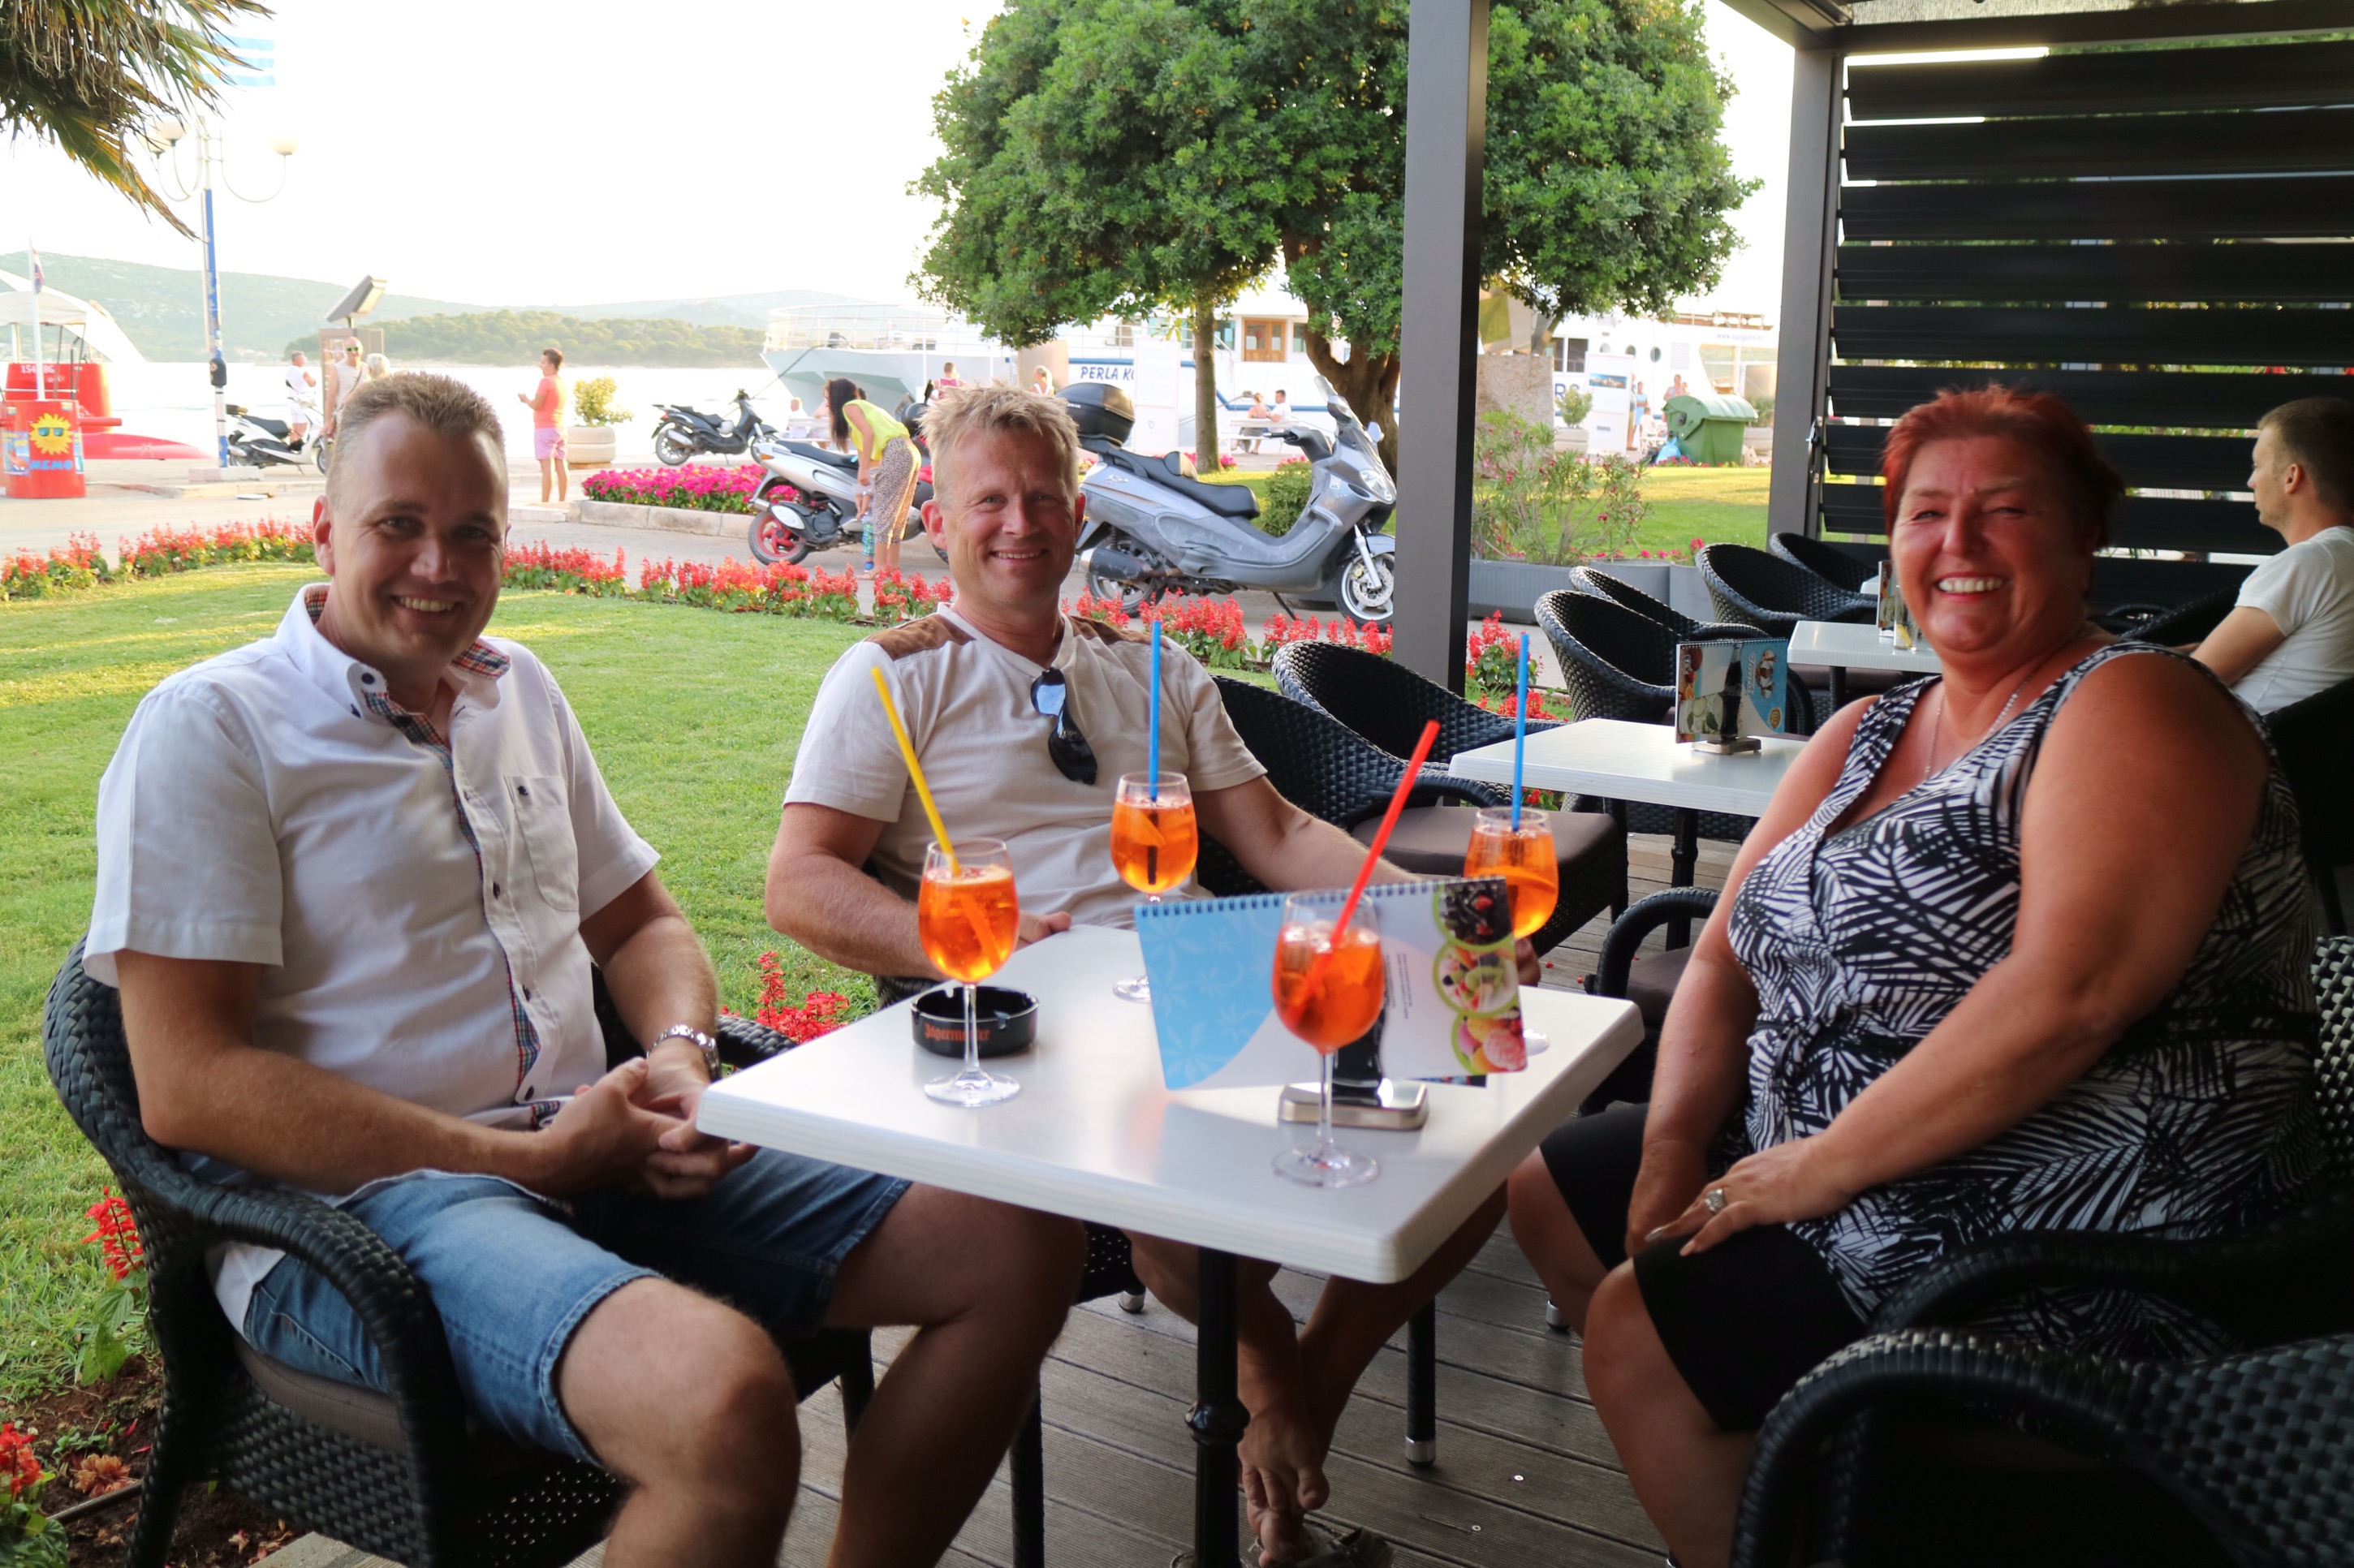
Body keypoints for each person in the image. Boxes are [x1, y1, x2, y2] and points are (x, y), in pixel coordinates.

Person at [89, 372, 1084, 1568]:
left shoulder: (515, 690)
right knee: (721, 1402)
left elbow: (644, 924)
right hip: (361, 1221)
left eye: (474, 533)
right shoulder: (212, 729)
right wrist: (530, 1161)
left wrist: (678, 1063)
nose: (439, 566)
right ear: (323, 529)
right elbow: (189, 1086)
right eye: (398, 524)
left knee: (1017, 1243)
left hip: (598, 1154)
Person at [1504, 386, 2325, 1568]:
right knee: (1556, 1188)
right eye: (1926, 513)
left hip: (2078, 1228)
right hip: (1842, 1161)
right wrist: (1676, 1147)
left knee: (1641, 1327)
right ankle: (1811, 1489)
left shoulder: (2131, 701)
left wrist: (1816, 1167)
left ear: (2085, 538)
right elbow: (1724, 957)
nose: (1959, 543)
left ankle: (1804, 1488)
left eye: (2008, 510)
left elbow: (2074, 994)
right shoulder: (1873, 731)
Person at [765, 385, 1533, 1568]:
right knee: (1168, 1166)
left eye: (1042, 498)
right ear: (938, 521)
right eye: (988, 500)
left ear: (1079, 516)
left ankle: (1304, 1386)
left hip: (1193, 982)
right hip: (1028, 1025)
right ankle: (1266, 1367)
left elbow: (1277, 835)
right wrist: (971, 940)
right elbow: (800, 884)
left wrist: (1432, 922)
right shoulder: (887, 680)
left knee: (1485, 1122)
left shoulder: (1152, 669)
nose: (1018, 523)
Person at [2192, 397, 2354, 711]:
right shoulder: (2341, 561)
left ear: (2291, 477)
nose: (2251, 481)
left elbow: (2187, 685)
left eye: (2257, 466)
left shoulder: (2309, 564)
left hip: (2236, 740)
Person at [823, 375, 917, 579]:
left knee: (883, 513)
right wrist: (861, 491)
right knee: (896, 515)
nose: (826, 403)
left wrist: (865, 470)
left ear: (837, 396)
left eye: (827, 398)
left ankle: (879, 568)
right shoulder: (862, 411)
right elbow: (864, 455)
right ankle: (893, 568)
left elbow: (869, 435)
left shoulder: (850, 407)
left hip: (897, 451)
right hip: (909, 451)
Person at [517, 347, 569, 506]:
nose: (541, 366)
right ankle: (562, 500)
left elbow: (537, 405)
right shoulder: (561, 382)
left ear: (552, 365)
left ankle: (545, 502)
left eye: (543, 362)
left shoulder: (546, 382)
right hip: (559, 427)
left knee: (547, 467)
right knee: (561, 464)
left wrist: (525, 399)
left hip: (545, 429)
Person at [322, 339, 367, 441]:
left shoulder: (367, 368)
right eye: (349, 349)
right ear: (345, 351)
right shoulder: (337, 369)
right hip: (346, 419)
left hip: (365, 418)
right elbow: (330, 397)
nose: (353, 352)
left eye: (356, 349)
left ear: (362, 350)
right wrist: (328, 422)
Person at [282, 351, 317, 448]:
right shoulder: (302, 371)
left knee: (296, 425)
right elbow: (312, 383)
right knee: (303, 425)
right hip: (302, 401)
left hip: (292, 400)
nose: (305, 360)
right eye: (303, 358)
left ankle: (293, 443)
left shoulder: (289, 370)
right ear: (298, 360)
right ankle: (298, 445)